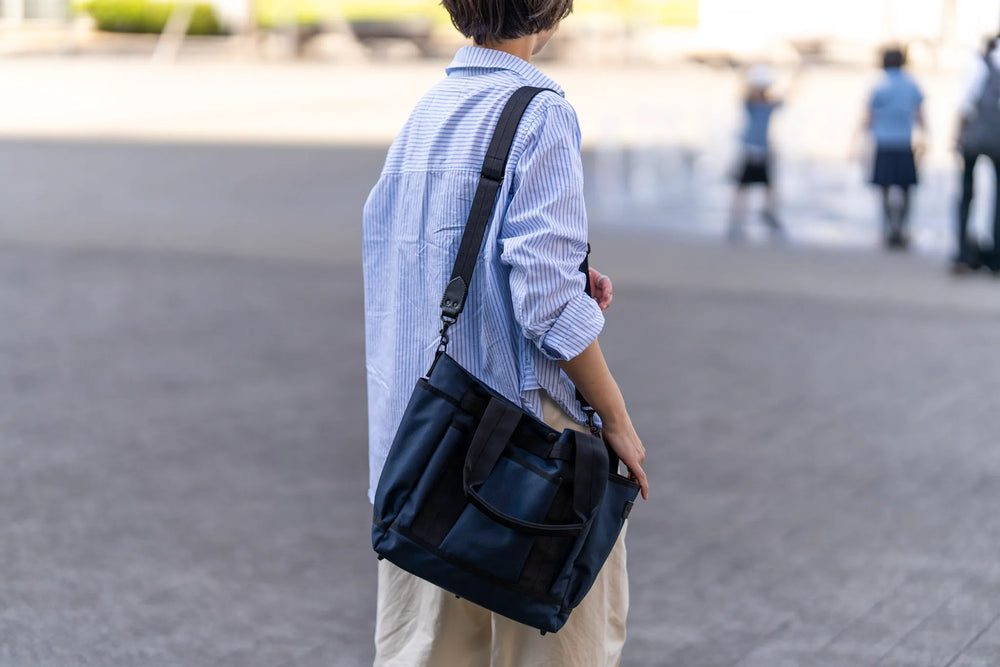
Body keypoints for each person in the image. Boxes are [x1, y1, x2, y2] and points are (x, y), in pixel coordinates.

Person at [361, 2, 648, 665]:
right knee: (556, 650)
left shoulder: (427, 114)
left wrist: (545, 272)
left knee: (426, 653)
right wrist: (616, 418)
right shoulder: (540, 113)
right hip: (528, 446)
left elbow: (409, 258)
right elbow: (546, 301)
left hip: (423, 440)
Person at [865, 47, 927, 250]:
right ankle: (902, 230)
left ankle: (887, 230)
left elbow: (869, 117)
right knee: (906, 189)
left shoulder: (879, 85)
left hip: (883, 143)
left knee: (883, 189)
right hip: (904, 143)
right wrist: (925, 137)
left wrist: (861, 142)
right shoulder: (911, 84)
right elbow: (920, 115)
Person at [952, 33, 1000, 275]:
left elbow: (965, 103)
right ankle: (996, 256)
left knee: (966, 194)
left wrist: (956, 135)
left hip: (974, 136)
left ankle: (963, 253)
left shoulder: (979, 63)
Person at [728, 64, 787, 241]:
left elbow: (787, 97)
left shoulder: (769, 105)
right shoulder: (750, 104)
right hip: (749, 150)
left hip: (764, 150)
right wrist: (746, 73)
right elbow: (742, 91)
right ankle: (737, 220)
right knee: (742, 187)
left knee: (768, 187)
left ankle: (768, 213)